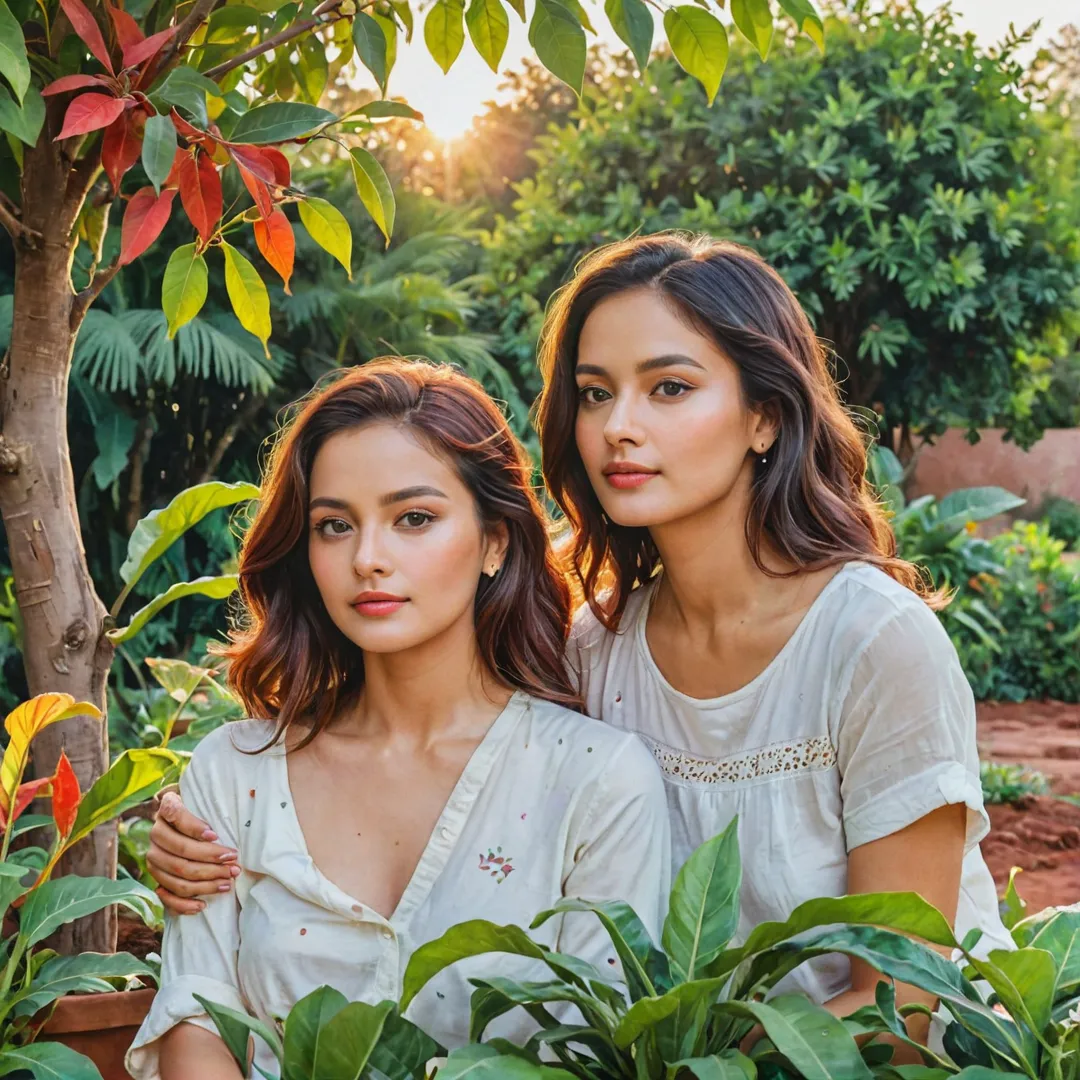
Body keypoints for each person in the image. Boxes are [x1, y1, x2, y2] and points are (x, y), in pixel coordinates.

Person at [145, 234, 1010, 1038]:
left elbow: (902, 996)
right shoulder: (594, 645)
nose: (618, 426)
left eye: (668, 388)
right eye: (595, 393)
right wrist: (205, 845)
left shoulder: (871, 643)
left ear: (766, 416)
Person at [126, 360, 670, 1080]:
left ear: (496, 541)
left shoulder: (596, 781)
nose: (368, 559)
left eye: (414, 518)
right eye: (333, 526)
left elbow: (599, 1048)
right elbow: (195, 1018)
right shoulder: (236, 774)